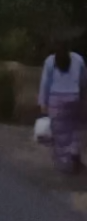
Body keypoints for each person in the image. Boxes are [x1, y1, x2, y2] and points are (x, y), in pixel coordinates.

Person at [39, 43, 87, 173]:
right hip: (74, 99)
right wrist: (83, 100)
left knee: (60, 134)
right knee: (74, 129)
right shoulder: (78, 59)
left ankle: (64, 163)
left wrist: (43, 103)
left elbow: (45, 84)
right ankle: (75, 156)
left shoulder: (50, 61)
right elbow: (83, 82)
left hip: (56, 101)